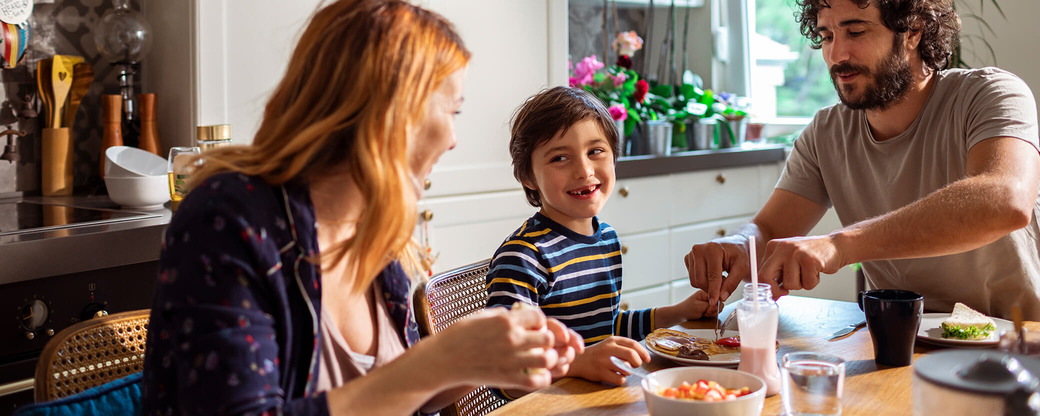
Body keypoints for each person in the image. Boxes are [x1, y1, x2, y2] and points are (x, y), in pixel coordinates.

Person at [141, 1, 584, 415]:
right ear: (393, 112)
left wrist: (480, 359)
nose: (453, 140)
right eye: (453, 110)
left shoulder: (372, 229)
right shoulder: (227, 221)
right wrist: (435, 362)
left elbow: (399, 393)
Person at [684, 0, 1040, 319]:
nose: (837, 55)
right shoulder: (826, 133)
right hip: (898, 343)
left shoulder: (991, 95)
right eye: (826, 36)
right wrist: (739, 244)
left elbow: (1004, 201)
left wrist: (839, 245)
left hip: (1013, 343)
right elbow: (771, 230)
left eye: (855, 31)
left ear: (912, 31)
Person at [486, 86, 711, 397]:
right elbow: (505, 372)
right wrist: (575, 363)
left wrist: (676, 314)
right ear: (528, 177)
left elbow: (606, 325)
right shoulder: (524, 257)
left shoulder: (605, 237)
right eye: (560, 158)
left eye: (595, 151)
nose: (584, 170)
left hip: (597, 399)